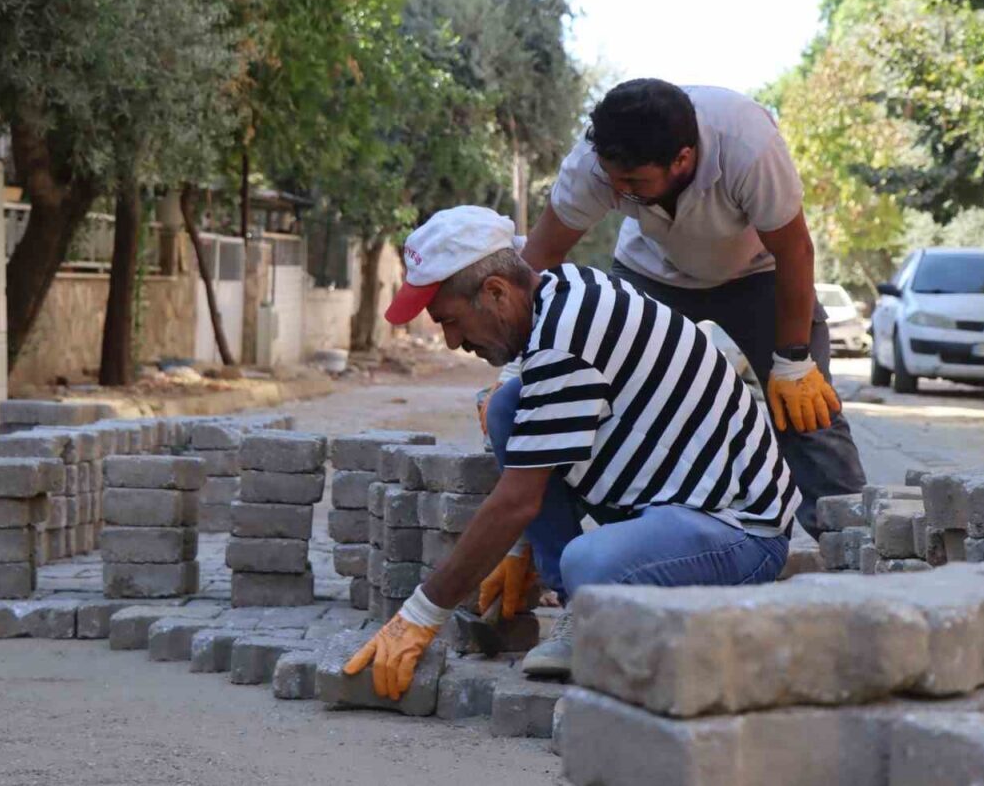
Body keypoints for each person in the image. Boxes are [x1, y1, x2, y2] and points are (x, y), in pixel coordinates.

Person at [343, 206, 796, 698]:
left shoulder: (567, 342)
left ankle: (592, 608)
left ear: (495, 291)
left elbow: (518, 499)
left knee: (591, 564)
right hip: (673, 503)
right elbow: (535, 442)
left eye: (451, 322)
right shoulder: (563, 290)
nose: (453, 342)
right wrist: (519, 547)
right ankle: (579, 605)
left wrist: (420, 615)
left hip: (740, 532)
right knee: (507, 407)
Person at [483, 78, 866, 548]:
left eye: (634, 183)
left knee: (807, 411)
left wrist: (791, 359)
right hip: (651, 273)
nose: (618, 191)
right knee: (607, 401)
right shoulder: (594, 166)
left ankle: (856, 547)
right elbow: (537, 262)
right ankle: (624, 551)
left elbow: (795, 251)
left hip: (757, 275)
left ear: (682, 159)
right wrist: (517, 366)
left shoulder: (748, 146)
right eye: (613, 180)